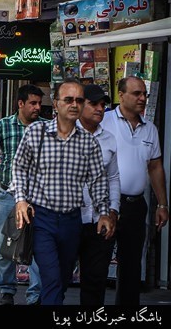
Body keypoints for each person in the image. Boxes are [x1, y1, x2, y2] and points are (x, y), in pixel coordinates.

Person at [12, 80, 113, 306]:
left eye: (79, 100)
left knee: (64, 278)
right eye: (68, 100)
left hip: (72, 220)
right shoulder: (36, 132)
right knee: (52, 278)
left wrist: (104, 213)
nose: (74, 105)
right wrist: (20, 200)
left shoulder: (88, 142)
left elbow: (97, 181)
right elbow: (18, 167)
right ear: (56, 104)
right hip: (42, 218)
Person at [0, 84, 46, 305]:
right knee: (5, 244)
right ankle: (7, 289)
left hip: (37, 197)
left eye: (39, 103)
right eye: (32, 103)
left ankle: (35, 294)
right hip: (8, 195)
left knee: (39, 246)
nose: (37, 108)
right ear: (21, 103)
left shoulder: (46, 127)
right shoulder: (4, 125)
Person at [101, 76, 168, 306]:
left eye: (144, 94)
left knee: (131, 266)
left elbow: (155, 166)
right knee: (98, 262)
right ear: (121, 95)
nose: (142, 98)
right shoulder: (105, 120)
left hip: (135, 205)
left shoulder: (150, 128)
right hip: (107, 204)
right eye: (137, 93)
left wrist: (162, 204)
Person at [77, 84, 120, 307]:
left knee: (95, 280)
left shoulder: (109, 139)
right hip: (69, 217)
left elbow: (113, 177)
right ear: (80, 105)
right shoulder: (64, 133)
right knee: (57, 277)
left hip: (98, 219)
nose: (100, 109)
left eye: (103, 105)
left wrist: (113, 210)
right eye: (94, 104)